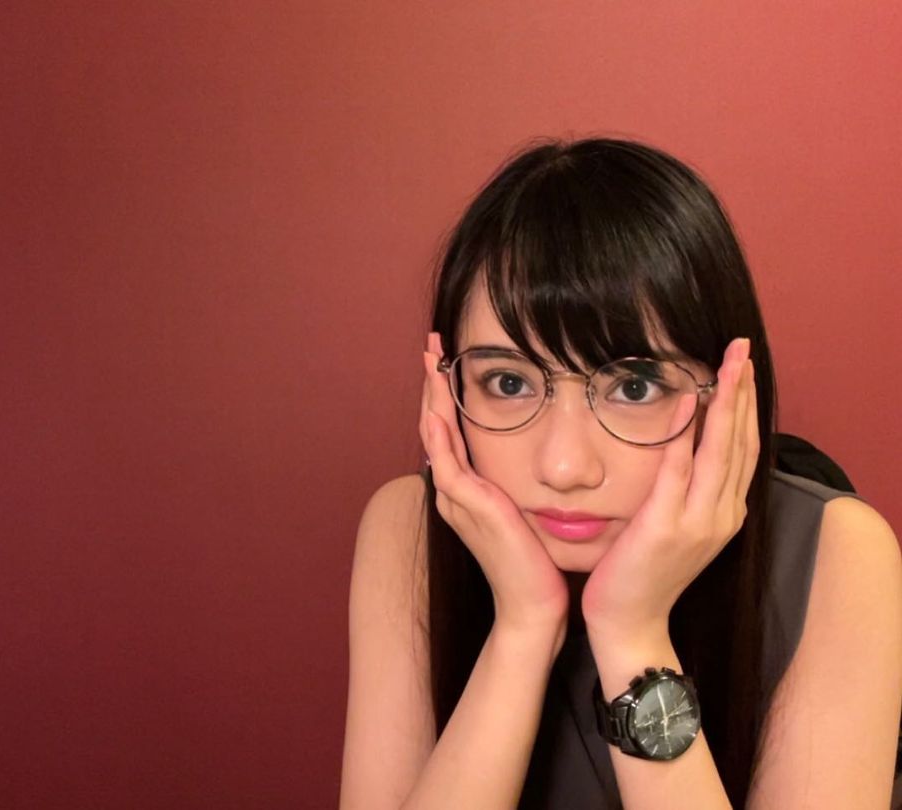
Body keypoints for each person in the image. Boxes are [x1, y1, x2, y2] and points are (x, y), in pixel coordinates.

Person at [339, 138, 902, 809]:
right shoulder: (408, 530)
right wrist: (523, 628)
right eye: (509, 382)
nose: (564, 467)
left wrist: (632, 635)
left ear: (726, 392)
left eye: (634, 387)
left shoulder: (835, 551)